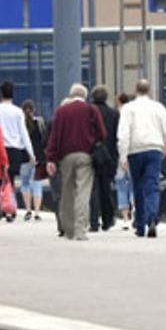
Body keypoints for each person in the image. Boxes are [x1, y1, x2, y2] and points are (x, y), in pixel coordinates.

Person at [45, 84, 106, 241]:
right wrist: (92, 141)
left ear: (71, 95)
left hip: (66, 157)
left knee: (67, 193)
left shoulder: (62, 111)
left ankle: (69, 230)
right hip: (85, 155)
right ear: (85, 95)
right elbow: (102, 133)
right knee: (83, 193)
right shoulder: (91, 110)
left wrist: (51, 158)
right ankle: (80, 230)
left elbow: (55, 136)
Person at [117, 79, 166, 239]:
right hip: (154, 149)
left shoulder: (128, 108)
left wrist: (123, 156)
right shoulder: (158, 108)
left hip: (135, 151)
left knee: (138, 186)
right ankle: (152, 218)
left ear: (136, 91)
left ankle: (140, 224)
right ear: (149, 91)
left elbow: (123, 134)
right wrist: (163, 149)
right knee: (152, 186)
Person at [0, 82, 36, 221]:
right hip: (14, 149)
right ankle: (10, 207)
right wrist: (31, 152)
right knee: (10, 179)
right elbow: (23, 133)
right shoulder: (18, 111)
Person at [89, 86, 120, 232]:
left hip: (92, 153)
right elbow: (117, 136)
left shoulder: (88, 112)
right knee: (105, 188)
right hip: (109, 156)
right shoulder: (114, 114)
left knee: (92, 188)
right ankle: (108, 219)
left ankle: (93, 220)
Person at [20, 100, 48, 221]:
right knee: (37, 184)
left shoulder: (21, 123)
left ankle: (28, 210)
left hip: (24, 157)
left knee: (25, 183)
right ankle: (37, 211)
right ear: (34, 109)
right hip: (39, 157)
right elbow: (44, 139)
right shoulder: (40, 122)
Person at [114, 93, 135, 230]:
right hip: (134, 152)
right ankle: (136, 214)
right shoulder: (136, 115)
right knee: (135, 184)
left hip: (120, 152)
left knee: (121, 185)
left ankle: (125, 218)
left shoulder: (118, 115)